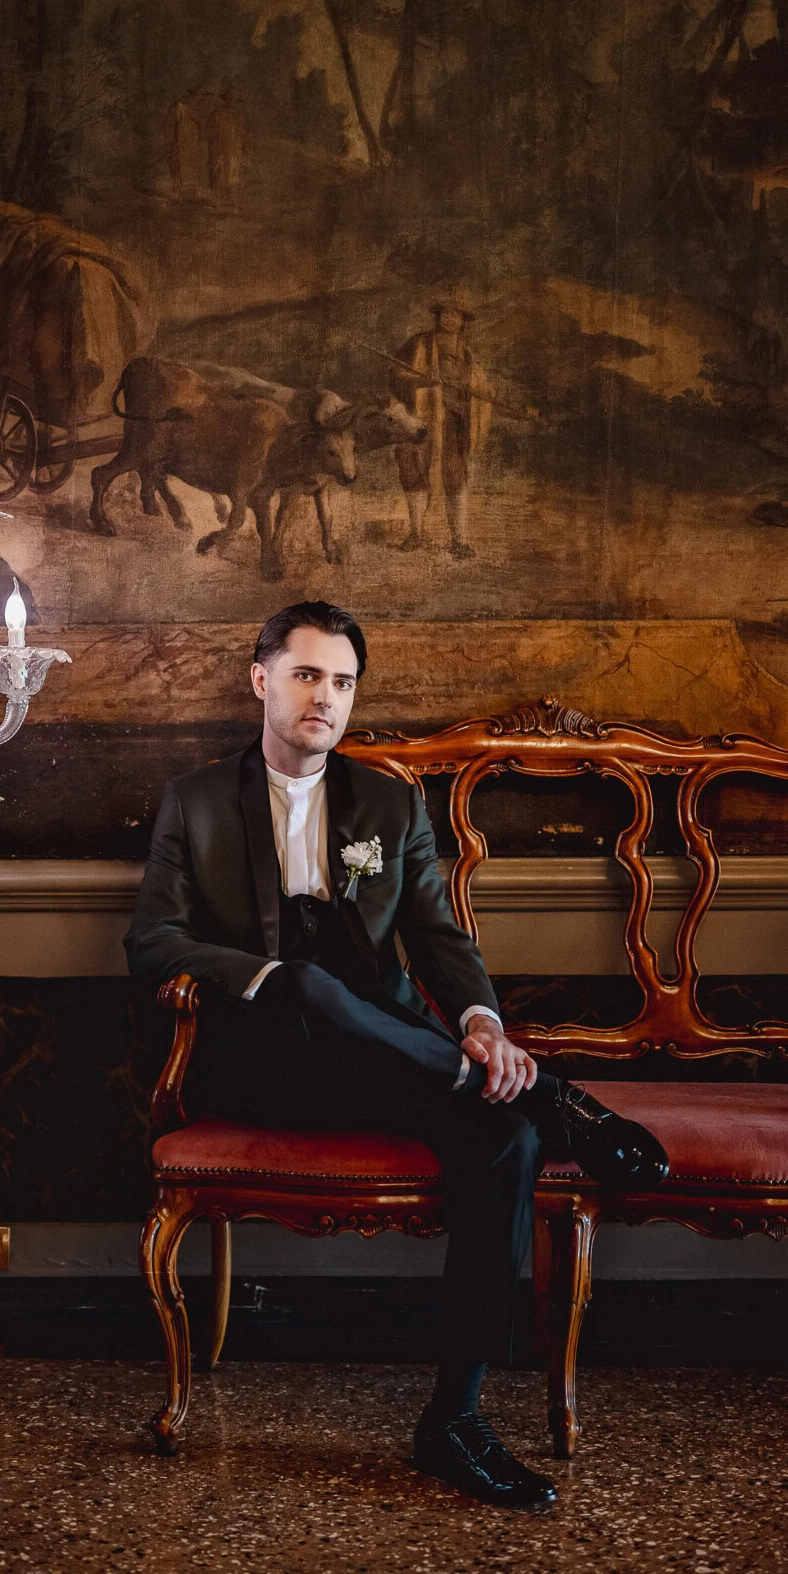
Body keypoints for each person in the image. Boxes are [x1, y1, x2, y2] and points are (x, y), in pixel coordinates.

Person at [126, 600, 669, 1510]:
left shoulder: (387, 800)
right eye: (306, 675)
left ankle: (453, 1419)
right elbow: (152, 943)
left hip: (387, 1057)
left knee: (507, 1144)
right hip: (261, 1067)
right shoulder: (194, 802)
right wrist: (263, 977)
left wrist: (483, 1026)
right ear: (261, 680)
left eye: (341, 682)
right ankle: (551, 1097)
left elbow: (437, 935)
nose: (325, 698)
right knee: (303, 984)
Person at [392, 294, 492, 559]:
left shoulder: (466, 355)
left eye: (455, 315)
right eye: (446, 313)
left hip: (452, 424)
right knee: (414, 474)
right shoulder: (419, 344)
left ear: (462, 322)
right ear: (438, 317)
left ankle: (459, 540)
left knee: (455, 478)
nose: (450, 318)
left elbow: (481, 389)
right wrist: (421, 381)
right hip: (419, 421)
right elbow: (396, 375)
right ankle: (415, 534)